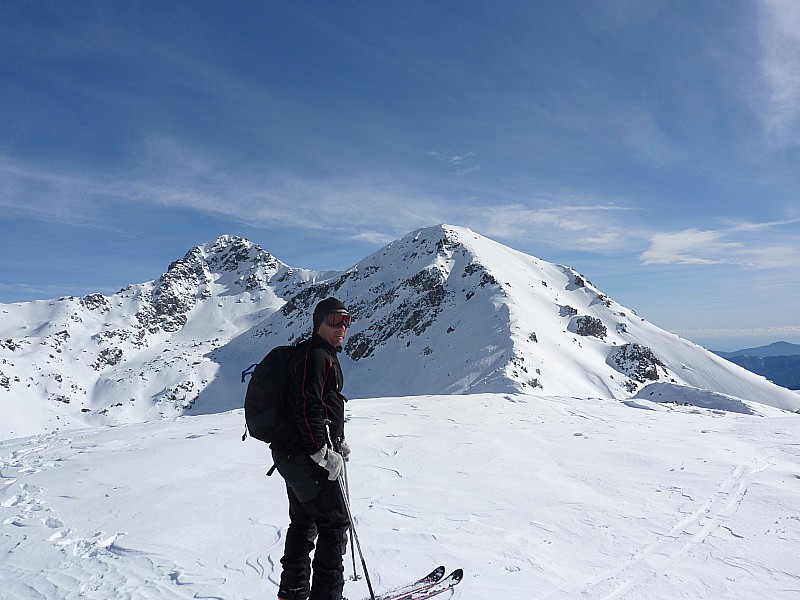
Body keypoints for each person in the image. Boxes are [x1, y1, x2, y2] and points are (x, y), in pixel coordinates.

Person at [273, 297, 353, 600]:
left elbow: (330, 403)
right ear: (318, 322)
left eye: (346, 320)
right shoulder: (315, 356)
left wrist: (339, 439)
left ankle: (293, 592)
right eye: (334, 320)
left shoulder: (323, 356)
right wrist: (321, 450)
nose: (341, 326)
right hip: (303, 455)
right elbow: (308, 407)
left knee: (304, 521)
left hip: (290, 453)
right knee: (334, 524)